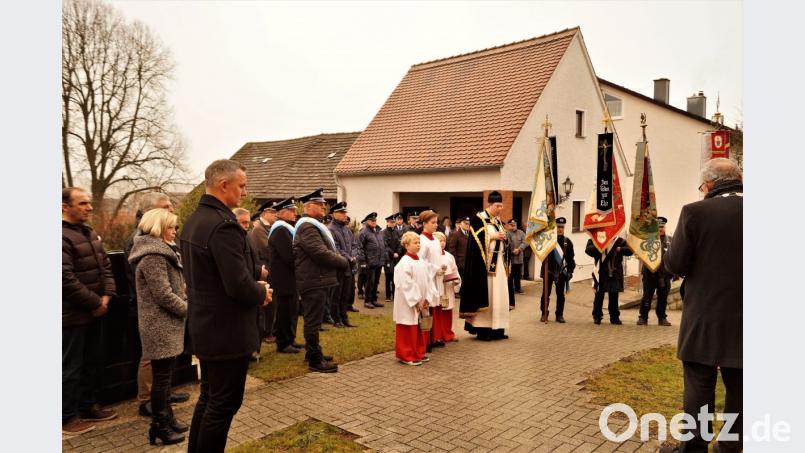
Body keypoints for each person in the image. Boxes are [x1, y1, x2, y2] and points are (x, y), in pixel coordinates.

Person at [179, 160, 272, 452]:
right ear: (223, 185)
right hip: (226, 332)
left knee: (209, 398)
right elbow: (237, 284)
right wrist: (261, 293)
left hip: (207, 327)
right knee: (223, 405)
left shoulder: (195, 220)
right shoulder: (223, 226)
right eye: (241, 186)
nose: (244, 192)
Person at [661, 158, 743, 453]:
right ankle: (731, 447)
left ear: (708, 185)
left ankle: (694, 447)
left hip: (704, 316)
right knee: (742, 386)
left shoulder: (695, 212)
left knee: (699, 383)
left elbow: (675, 263)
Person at [123, 193, 189, 418]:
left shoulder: (160, 242)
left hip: (165, 313)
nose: (171, 210)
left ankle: (163, 400)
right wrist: (186, 307)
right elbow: (159, 290)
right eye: (165, 207)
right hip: (153, 313)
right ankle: (149, 403)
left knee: (163, 371)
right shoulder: (145, 245)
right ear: (152, 214)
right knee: (150, 360)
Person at [62, 187, 118, 436]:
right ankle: (66, 418)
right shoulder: (60, 236)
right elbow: (64, 278)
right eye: (83, 203)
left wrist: (107, 296)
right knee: (70, 367)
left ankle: (87, 406)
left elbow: (105, 266)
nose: (89, 207)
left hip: (96, 310)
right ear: (65, 207)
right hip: (72, 316)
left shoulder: (89, 232)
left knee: (92, 362)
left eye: (89, 203)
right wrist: (95, 302)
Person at [293, 188, 349, 373]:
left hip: (317, 278)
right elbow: (319, 253)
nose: (325, 206)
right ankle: (315, 361)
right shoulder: (307, 226)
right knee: (312, 321)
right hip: (313, 279)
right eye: (321, 204)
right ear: (309, 207)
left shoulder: (311, 225)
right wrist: (343, 261)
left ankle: (312, 353)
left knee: (314, 321)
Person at [459, 191, 511, 341]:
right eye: (497, 205)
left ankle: (498, 329)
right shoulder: (478, 219)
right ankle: (484, 329)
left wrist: (504, 238)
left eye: (501, 205)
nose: (500, 208)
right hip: (485, 267)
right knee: (488, 295)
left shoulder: (497, 221)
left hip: (499, 265)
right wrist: (493, 236)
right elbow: (474, 243)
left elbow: (503, 240)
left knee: (499, 296)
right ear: (489, 204)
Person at [267, 197, 306, 353]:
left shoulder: (286, 228)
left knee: (292, 309)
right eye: (292, 211)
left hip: (288, 277)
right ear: (282, 213)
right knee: (285, 311)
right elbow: (288, 256)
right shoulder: (280, 229)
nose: (295, 213)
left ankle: (290, 339)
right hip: (283, 278)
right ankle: (283, 343)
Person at [393, 232, 436, 366]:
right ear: (406, 245)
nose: (418, 245)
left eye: (419, 243)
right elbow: (406, 284)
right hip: (409, 302)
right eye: (415, 243)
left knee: (419, 327)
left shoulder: (421, 260)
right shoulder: (404, 263)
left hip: (422, 302)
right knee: (408, 327)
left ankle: (418, 352)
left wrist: (428, 297)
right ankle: (406, 355)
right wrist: (416, 301)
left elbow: (428, 279)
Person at [249, 201, 279, 345]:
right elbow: (268, 248)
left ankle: (270, 330)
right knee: (267, 303)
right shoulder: (260, 229)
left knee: (272, 302)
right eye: (273, 213)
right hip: (264, 269)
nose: (275, 215)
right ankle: (267, 333)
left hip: (270, 268)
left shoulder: (268, 227)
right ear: (265, 213)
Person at [418, 210, 449, 350]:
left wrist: (440, 267)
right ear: (424, 224)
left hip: (437, 278)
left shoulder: (435, 240)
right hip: (427, 280)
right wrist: (435, 269)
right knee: (427, 310)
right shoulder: (421, 240)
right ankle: (426, 340)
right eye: (433, 222)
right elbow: (420, 262)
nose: (436, 225)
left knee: (436, 308)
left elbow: (436, 258)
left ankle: (435, 337)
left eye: (437, 222)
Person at [585, 236, 633, 325]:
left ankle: (614, 317)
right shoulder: (597, 238)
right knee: (599, 295)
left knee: (614, 296)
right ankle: (597, 316)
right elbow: (588, 250)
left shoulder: (619, 240)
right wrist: (600, 246)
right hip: (601, 271)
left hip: (615, 272)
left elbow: (630, 250)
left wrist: (620, 249)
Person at [637, 216, 673, 326]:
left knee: (663, 298)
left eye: (662, 226)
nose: (661, 229)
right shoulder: (649, 240)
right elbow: (641, 254)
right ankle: (643, 317)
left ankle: (662, 318)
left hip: (665, 275)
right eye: (659, 227)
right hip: (650, 273)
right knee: (647, 297)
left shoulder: (671, 240)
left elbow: (674, 257)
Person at [328, 201, 359, 328]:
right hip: (339, 267)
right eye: (342, 213)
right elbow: (336, 248)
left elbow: (354, 245)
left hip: (349, 267)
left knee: (345, 295)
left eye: (345, 212)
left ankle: (344, 318)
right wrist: (349, 258)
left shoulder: (346, 229)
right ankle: (336, 319)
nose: (344, 215)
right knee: (337, 295)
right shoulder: (331, 229)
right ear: (334, 214)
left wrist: (354, 255)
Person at [539, 217, 575, 323]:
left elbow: (570, 259)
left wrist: (570, 271)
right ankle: (544, 313)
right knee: (546, 293)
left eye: (562, 227)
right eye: (558, 227)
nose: (560, 229)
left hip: (561, 272)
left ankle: (559, 315)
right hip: (549, 270)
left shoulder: (567, 242)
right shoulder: (548, 241)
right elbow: (542, 254)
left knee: (560, 295)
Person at [434, 231, 460, 342]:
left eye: (444, 240)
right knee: (439, 311)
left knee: (448, 311)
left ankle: (448, 333)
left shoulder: (449, 256)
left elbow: (455, 270)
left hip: (448, 287)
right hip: (438, 286)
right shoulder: (433, 257)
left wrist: (456, 280)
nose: (442, 243)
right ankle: (439, 334)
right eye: (439, 240)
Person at [357, 212, 386, 309]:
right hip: (369, 262)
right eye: (371, 220)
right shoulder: (364, 232)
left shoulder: (378, 231)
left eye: (375, 220)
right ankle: (368, 301)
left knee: (376, 282)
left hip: (379, 262)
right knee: (370, 282)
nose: (374, 222)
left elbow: (382, 245)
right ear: (367, 221)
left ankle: (374, 300)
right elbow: (359, 248)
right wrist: (363, 262)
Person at [506, 219, 527, 299]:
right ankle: (511, 289)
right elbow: (505, 244)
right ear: (509, 226)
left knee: (518, 274)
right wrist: (511, 251)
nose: (514, 226)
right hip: (510, 258)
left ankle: (518, 288)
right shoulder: (507, 234)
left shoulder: (521, 233)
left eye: (515, 225)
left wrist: (519, 249)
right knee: (510, 274)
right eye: (512, 225)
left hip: (519, 257)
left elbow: (526, 242)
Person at [382, 214, 401, 302]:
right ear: (387, 222)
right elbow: (385, 245)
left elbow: (400, 244)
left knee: (395, 277)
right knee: (388, 277)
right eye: (391, 222)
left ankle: (395, 295)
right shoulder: (384, 232)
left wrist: (398, 252)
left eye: (394, 222)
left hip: (396, 258)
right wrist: (393, 253)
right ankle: (388, 296)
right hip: (388, 258)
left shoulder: (397, 232)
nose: (393, 224)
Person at [446, 216, 470, 282]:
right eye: (466, 223)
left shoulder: (470, 234)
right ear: (460, 224)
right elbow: (452, 249)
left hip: (469, 263)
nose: (468, 225)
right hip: (460, 263)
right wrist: (455, 263)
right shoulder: (455, 234)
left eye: (469, 224)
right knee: (460, 283)